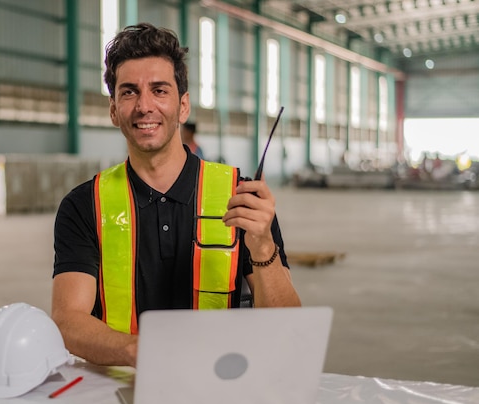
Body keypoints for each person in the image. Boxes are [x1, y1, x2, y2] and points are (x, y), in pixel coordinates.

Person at [51, 23, 300, 368]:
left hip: (220, 388)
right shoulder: (83, 206)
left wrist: (262, 246)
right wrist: (146, 353)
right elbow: (68, 321)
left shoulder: (241, 198)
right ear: (113, 110)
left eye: (159, 90)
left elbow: (287, 326)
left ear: (183, 106)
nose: (144, 106)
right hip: (120, 394)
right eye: (129, 92)